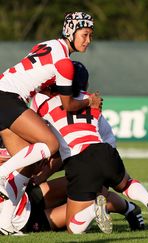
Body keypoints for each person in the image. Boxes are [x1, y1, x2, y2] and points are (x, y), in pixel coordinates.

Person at [30, 61, 148, 234]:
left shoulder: (43, 103)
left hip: (77, 161)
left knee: (73, 228)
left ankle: (96, 209)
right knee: (126, 183)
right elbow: (109, 140)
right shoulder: (93, 102)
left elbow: (35, 132)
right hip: (103, 152)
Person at [0, 11, 102, 225]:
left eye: (91, 35)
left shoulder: (48, 45)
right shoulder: (64, 62)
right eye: (84, 34)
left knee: (28, 166)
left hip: (6, 95)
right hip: (7, 97)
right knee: (51, 143)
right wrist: (89, 101)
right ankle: (2, 176)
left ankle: (5, 222)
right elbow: (68, 104)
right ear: (70, 32)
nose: (88, 40)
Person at [0, 174, 145, 233]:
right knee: (88, 208)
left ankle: (128, 205)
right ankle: (130, 209)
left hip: (23, 196)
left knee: (84, 180)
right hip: (22, 220)